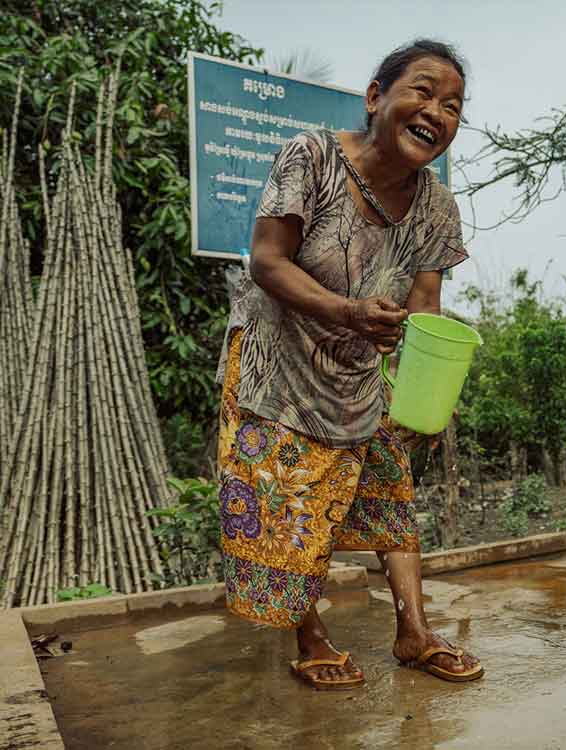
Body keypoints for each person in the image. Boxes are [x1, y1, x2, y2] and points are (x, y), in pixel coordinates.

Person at [215, 39, 482, 689]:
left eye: (452, 105)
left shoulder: (437, 206)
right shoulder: (311, 157)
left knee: (391, 495)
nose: (436, 112)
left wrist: (425, 383)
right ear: (375, 97)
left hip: (359, 373)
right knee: (292, 506)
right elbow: (268, 260)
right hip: (276, 369)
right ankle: (312, 637)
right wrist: (348, 312)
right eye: (421, 91)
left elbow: (425, 308)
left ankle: (413, 632)